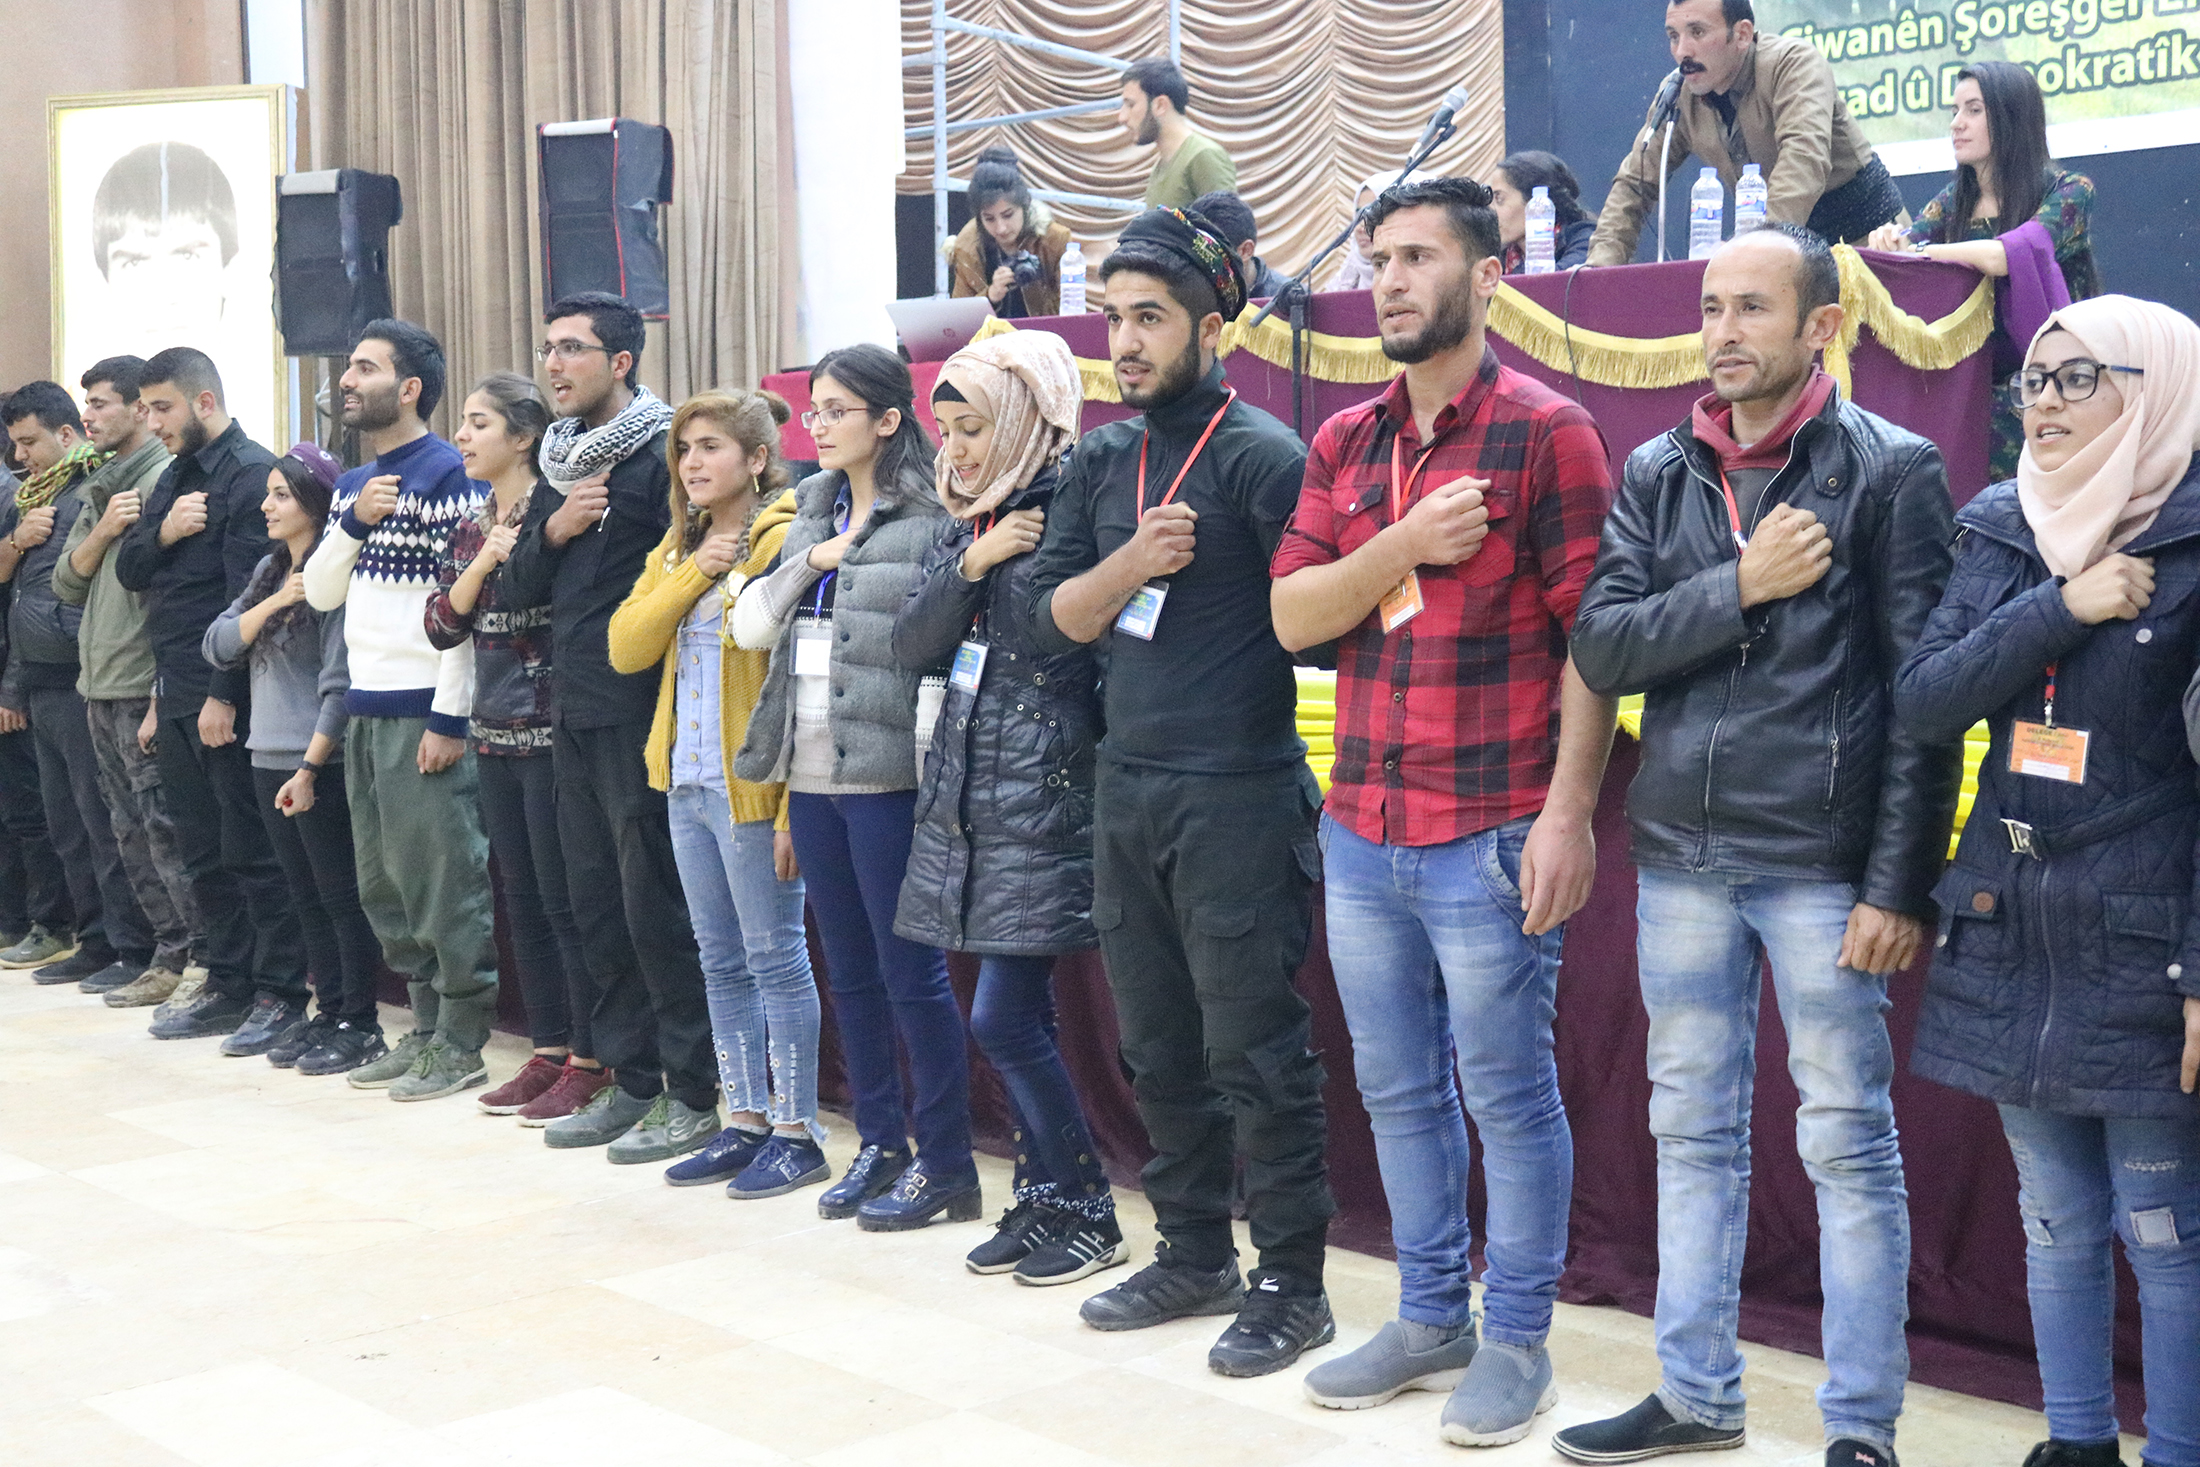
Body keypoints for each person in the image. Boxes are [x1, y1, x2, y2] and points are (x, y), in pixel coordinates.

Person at [1560, 224, 1960, 1467]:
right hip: (1678, 856)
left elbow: (1925, 703)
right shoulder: (1657, 467)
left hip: (1820, 864)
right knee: (1690, 1134)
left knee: (1844, 1141)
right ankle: (1695, 1395)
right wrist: (1739, 587)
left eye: (1750, 308)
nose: (1721, 332)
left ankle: (1861, 1428)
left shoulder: (1893, 470)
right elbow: (1602, 646)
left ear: (1821, 327)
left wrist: (1896, 884)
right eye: (1709, 307)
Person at [1271, 176, 1617, 1445]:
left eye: (1418, 257)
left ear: (1487, 275)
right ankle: (1429, 1319)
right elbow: (1293, 618)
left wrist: (1568, 816)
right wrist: (1405, 543)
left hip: (1491, 826)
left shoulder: (1548, 433)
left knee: (1508, 1097)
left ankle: (1515, 1340)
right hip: (1363, 826)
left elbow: (1596, 647)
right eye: (1379, 260)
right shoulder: (1345, 442)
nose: (1390, 281)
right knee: (1398, 1091)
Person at [1027, 206, 1333, 1378]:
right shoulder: (1101, 460)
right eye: (1113, 318)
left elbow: (1312, 632)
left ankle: (1292, 1281)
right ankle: (1194, 1251)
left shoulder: (1264, 456)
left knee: (1255, 1051)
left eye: (1149, 318)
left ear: (1215, 328)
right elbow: (1049, 621)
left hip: (1238, 794)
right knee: (1156, 1046)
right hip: (1128, 789)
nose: (1125, 342)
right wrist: (1133, 562)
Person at [1897, 297, 2200, 1467]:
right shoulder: (2002, 526)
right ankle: (2075, 1445)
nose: (2048, 404)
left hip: (2145, 932)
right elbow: (1927, 701)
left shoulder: (2192, 536)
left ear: (2161, 388)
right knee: (2054, 1219)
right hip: (2007, 917)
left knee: (2161, 1228)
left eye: (2081, 378)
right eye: (2034, 379)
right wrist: (2060, 604)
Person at [892, 329, 1125, 1284]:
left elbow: (1069, 641)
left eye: (976, 428)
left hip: (1048, 793)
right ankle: (1043, 1196)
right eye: (946, 430)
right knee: (1016, 1015)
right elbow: (912, 644)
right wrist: (973, 564)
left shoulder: (1074, 504)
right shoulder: (970, 518)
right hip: (974, 795)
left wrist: (999, 564)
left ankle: (1088, 1204)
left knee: (1004, 1020)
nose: (957, 449)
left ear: (1029, 420)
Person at [731, 344, 973, 1229]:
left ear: (888, 419)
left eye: (838, 410)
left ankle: (945, 1160)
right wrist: (811, 558)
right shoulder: (810, 508)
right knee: (851, 974)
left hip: (889, 776)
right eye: (815, 411)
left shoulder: (932, 514)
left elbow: (938, 649)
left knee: (911, 975)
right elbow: (752, 626)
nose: (820, 425)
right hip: (809, 775)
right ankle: (880, 1142)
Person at [501, 292, 721, 1163]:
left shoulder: (665, 457)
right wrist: (553, 530)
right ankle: (631, 1082)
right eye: (548, 348)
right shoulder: (559, 467)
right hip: (570, 712)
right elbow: (516, 592)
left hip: (642, 715)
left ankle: (691, 1091)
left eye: (573, 349)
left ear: (621, 362)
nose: (554, 365)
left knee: (653, 906)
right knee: (596, 907)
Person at [610, 389, 831, 1199]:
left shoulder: (786, 538)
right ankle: (743, 1118)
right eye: (683, 449)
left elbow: (796, 679)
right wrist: (692, 571)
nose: (691, 463)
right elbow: (626, 646)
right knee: (719, 958)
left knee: (776, 955)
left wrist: (791, 805)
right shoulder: (682, 546)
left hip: (753, 788)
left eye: (710, 447)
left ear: (757, 458)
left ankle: (797, 1129)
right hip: (686, 782)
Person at [300, 322, 497, 1099]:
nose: (347, 380)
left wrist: (450, 717)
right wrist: (353, 522)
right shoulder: (354, 484)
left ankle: (461, 1038)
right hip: (365, 706)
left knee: (443, 882)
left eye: (365, 367)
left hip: (425, 711)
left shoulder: (451, 474)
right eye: (348, 366)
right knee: (385, 884)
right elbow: (321, 592)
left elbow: (463, 608)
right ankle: (423, 1028)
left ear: (409, 387)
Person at [112, 347, 306, 1043]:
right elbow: (133, 568)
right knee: (201, 850)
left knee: (249, 849)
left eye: (162, 407)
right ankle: (226, 980)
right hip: (175, 687)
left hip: (228, 695)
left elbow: (247, 599)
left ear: (203, 401)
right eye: (145, 408)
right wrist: (165, 530)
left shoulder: (251, 473)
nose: (152, 422)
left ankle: (279, 991)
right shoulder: (174, 477)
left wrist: (223, 694)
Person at [428, 373, 606, 1122]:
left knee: (566, 902)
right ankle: (548, 1049)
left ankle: (591, 1058)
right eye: (463, 422)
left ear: (524, 436)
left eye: (479, 423)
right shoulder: (474, 522)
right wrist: (482, 562)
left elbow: (537, 605)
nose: (462, 436)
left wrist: (511, 557)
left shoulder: (555, 510)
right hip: (492, 733)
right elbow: (442, 625)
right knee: (523, 901)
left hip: (551, 731)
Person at [204, 446, 385, 1075]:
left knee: (339, 897)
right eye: (269, 493)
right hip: (265, 755)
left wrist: (310, 768)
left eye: (281, 494)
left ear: (314, 501)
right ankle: (327, 1012)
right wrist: (275, 601)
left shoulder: (338, 574)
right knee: (303, 897)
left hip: (318, 762)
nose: (267, 505)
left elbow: (340, 685)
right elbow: (217, 644)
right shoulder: (271, 571)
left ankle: (359, 1021)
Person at [1866, 62, 2099, 484]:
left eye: (1973, 110)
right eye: (1955, 111)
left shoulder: (2069, 190)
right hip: (1973, 383)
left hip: (2052, 383)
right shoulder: (1953, 201)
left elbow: (2007, 255)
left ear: (2011, 117)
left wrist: (1923, 251)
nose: (1956, 123)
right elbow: (1908, 257)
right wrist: (1889, 244)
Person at [54, 356, 203, 1010]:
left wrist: (158, 694)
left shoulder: (163, 477)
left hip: (144, 683)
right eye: (86, 402)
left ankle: (198, 960)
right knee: (127, 830)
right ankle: (165, 953)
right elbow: (67, 580)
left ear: (139, 409)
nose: (88, 415)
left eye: (100, 402)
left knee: (164, 827)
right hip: (99, 683)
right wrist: (108, 527)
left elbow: (174, 601)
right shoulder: (107, 486)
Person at [0, 381, 154, 993]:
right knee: (65, 824)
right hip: (40, 676)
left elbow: (72, 593)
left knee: (100, 822)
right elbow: (22, 598)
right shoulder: (33, 503)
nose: (20, 458)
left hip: (81, 675)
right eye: (14, 445)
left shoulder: (90, 492)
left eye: (29, 443)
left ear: (65, 436)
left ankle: (124, 943)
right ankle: (91, 938)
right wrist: (17, 684)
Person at [1585, 0, 1905, 268]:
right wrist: (1598, 267)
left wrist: (1753, 249)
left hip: (1868, 241)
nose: (1682, 51)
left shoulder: (1793, 64)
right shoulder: (1678, 93)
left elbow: (1804, 160)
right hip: (1778, 254)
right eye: (1673, 36)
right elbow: (1635, 183)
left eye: (1697, 32)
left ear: (1741, 35)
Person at [949, 146, 1073, 320]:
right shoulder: (967, 246)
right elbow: (958, 318)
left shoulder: (1054, 239)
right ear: (979, 218)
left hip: (1043, 335)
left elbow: (1072, 311)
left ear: (1025, 206)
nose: (1001, 228)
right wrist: (990, 296)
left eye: (1008, 215)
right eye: (989, 219)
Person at [1119, 58, 1236, 209]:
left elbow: (1226, 222)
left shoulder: (1203, 156)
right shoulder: (1160, 166)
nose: (1122, 117)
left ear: (1160, 105)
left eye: (1131, 105)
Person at [1333, 171, 1440, 292]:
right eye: (1359, 215)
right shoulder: (1346, 285)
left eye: (1373, 215)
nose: (1360, 228)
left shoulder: (1431, 286)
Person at [1490, 152, 1596, 273]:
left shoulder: (1585, 240)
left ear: (1536, 203)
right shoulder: (1500, 256)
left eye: (1499, 199)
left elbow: (1551, 281)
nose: (1491, 210)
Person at [1190, 190, 1290, 302]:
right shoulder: (1184, 291)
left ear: (1245, 251)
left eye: (1208, 254)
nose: (1196, 264)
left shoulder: (1290, 301)